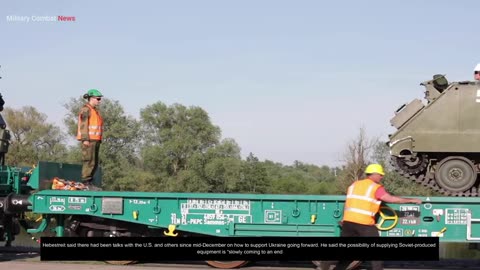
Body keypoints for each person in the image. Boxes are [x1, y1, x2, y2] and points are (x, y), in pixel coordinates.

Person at [333, 164, 422, 270]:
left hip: (348, 222)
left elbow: (348, 203)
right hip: (364, 223)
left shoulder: (354, 185)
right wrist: (411, 200)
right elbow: (391, 199)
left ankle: (330, 266)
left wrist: (344, 217)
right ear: (374, 174)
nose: (381, 177)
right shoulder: (375, 187)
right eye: (380, 174)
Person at [77, 89, 104, 190]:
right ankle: (86, 182)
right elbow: (83, 125)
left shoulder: (94, 110)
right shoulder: (86, 109)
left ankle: (89, 182)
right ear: (91, 98)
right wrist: (85, 139)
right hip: (89, 140)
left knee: (94, 162)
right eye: (98, 99)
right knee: (89, 161)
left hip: (95, 140)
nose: (99, 101)